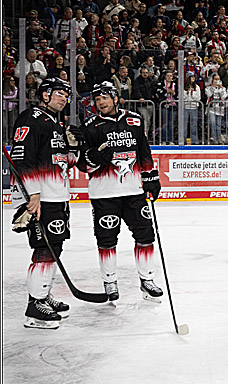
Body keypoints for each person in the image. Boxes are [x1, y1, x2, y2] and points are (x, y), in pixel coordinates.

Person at [76, 81, 163, 302]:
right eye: (97, 100)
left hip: (134, 192)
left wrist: (151, 178)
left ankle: (147, 279)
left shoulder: (134, 120)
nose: (100, 102)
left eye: (104, 97)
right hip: (104, 195)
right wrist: (93, 157)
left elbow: (144, 151)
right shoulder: (90, 127)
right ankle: (110, 281)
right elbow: (82, 165)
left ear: (115, 98)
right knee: (107, 240)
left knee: (145, 236)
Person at [10, 78, 80, 328]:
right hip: (42, 198)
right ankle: (34, 307)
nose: (64, 98)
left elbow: (62, 163)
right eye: (59, 93)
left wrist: (75, 149)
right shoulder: (31, 118)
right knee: (43, 250)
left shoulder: (55, 124)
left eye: (66, 95)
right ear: (45, 95)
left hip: (57, 197)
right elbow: (21, 158)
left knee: (54, 248)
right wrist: (33, 195)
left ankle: (42, 294)